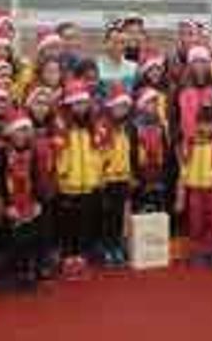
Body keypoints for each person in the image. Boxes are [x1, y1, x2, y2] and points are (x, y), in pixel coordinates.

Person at [55, 80, 104, 279]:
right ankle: (68, 258)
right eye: (76, 103)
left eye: (83, 103)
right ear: (68, 105)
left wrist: (98, 174)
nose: (80, 107)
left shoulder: (93, 127)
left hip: (89, 184)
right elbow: (58, 156)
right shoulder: (62, 128)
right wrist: (62, 174)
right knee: (69, 224)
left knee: (86, 223)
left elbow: (99, 153)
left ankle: (81, 258)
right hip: (69, 185)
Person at [175, 105, 212, 269]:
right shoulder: (189, 142)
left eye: (210, 123)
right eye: (202, 123)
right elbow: (184, 167)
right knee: (196, 221)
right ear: (197, 124)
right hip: (195, 190)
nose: (206, 127)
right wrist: (181, 189)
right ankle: (198, 252)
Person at [0, 109, 46, 289]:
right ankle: (16, 272)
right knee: (14, 239)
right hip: (11, 202)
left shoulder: (33, 152)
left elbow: (37, 177)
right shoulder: (2, 153)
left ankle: (31, 270)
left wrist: (38, 201)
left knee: (32, 236)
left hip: (29, 200)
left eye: (26, 130)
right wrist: (8, 205)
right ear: (10, 132)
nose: (22, 134)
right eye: (18, 130)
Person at [27, 86, 62, 278]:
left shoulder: (53, 127)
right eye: (38, 103)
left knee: (47, 225)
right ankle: (29, 264)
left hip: (49, 183)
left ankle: (44, 261)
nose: (42, 108)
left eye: (45, 104)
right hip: (29, 185)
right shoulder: (24, 127)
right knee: (30, 226)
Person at [100, 83, 134, 267]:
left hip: (122, 179)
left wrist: (129, 175)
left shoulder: (125, 128)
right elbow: (100, 155)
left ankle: (117, 247)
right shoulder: (104, 127)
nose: (122, 109)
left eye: (125, 106)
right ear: (111, 106)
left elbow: (127, 155)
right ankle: (107, 248)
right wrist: (102, 175)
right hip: (108, 180)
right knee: (108, 217)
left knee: (119, 216)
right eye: (119, 106)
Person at [129, 87, 171, 214]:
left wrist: (165, 170)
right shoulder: (135, 126)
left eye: (155, 103)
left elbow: (165, 148)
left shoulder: (161, 125)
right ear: (141, 105)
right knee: (141, 205)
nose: (152, 106)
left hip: (158, 171)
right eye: (149, 102)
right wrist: (134, 174)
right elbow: (132, 152)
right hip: (141, 172)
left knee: (158, 203)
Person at [96, 22, 138, 97]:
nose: (119, 46)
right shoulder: (96, 67)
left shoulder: (134, 68)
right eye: (115, 42)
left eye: (123, 42)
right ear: (105, 43)